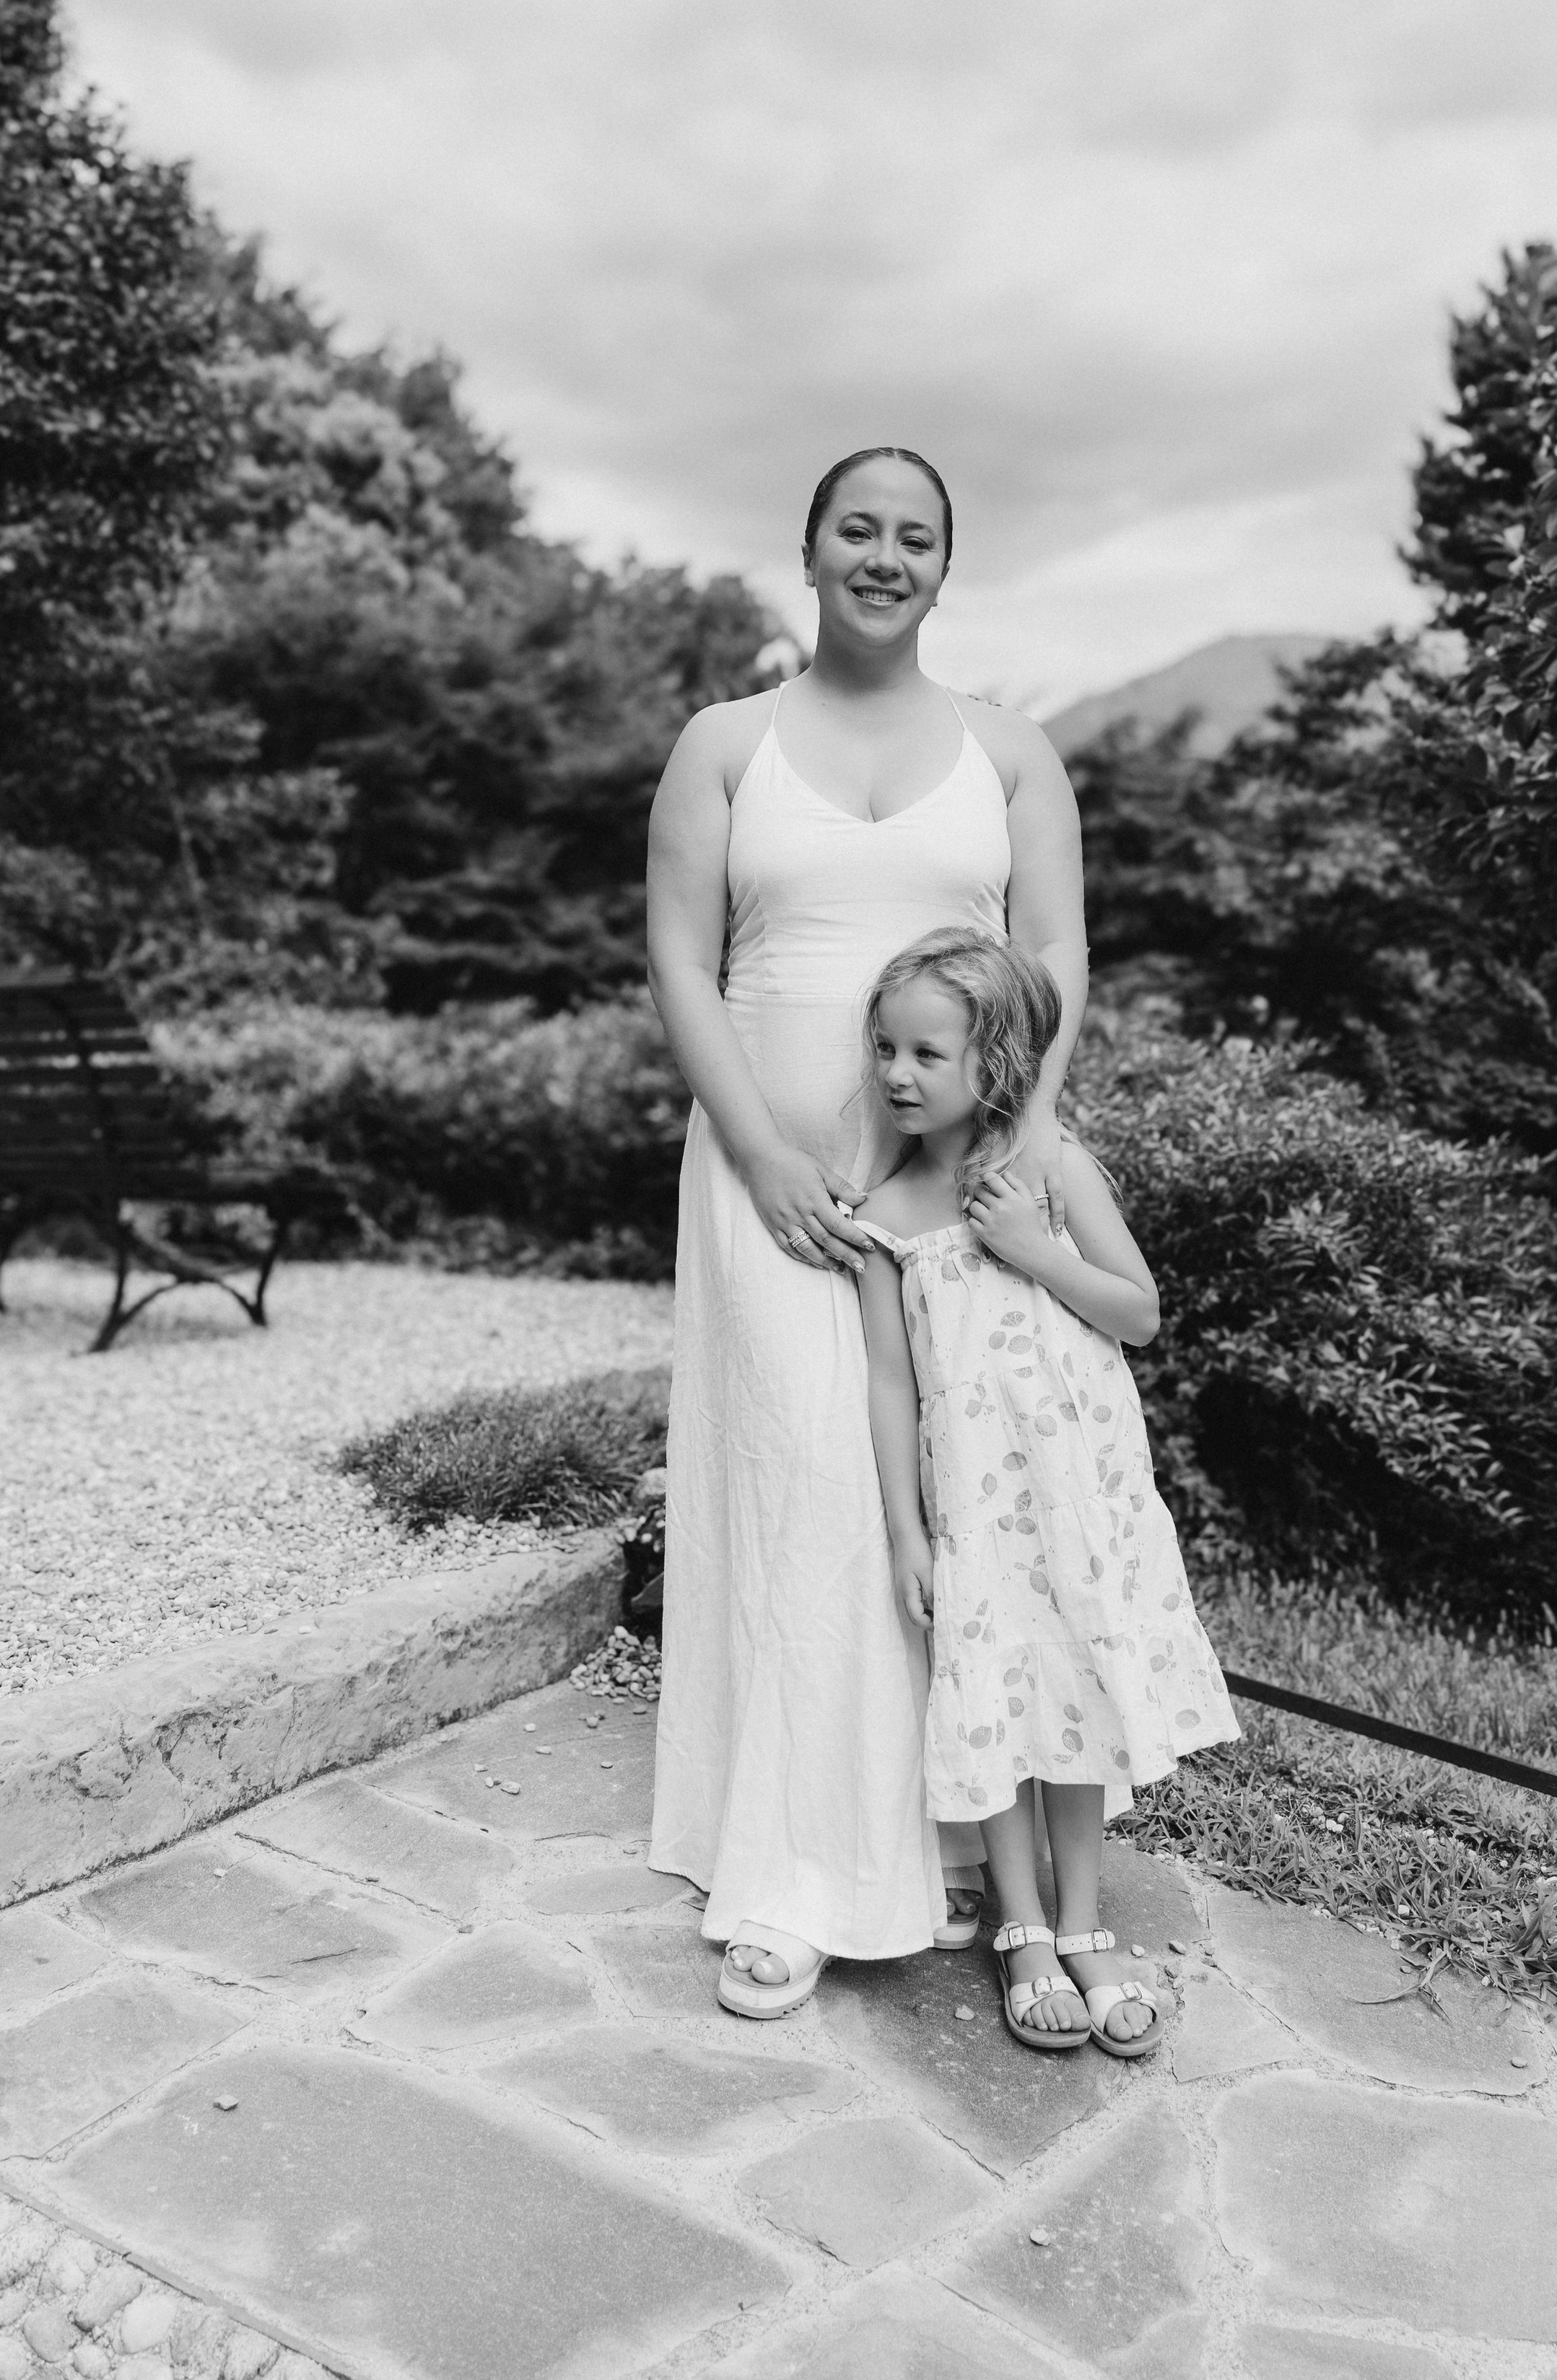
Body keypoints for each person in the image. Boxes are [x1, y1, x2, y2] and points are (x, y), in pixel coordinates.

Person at [645, 448, 1089, 2016]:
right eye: (858, 529)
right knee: (810, 1491)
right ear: (809, 549)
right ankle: (786, 1875)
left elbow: (1052, 957)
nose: (883, 555)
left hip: (948, 1191)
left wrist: (1012, 1160)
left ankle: (944, 1838)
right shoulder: (722, 744)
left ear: (943, 566)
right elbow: (683, 968)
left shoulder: (1013, 752)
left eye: (915, 536)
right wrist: (761, 1154)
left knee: (938, 1495)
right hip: (767, 1183)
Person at [853, 926, 1237, 2056]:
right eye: (884, 1049)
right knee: (992, 1694)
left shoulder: (1049, 1173)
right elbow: (888, 1380)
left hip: (1083, 1498)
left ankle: (1083, 1920)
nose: (895, 1075)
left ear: (998, 1058)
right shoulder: (885, 1214)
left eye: (926, 1053)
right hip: (974, 1505)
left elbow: (1139, 1312)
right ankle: (1019, 1925)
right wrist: (906, 1534)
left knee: (1077, 1692)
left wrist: (1036, 1249)